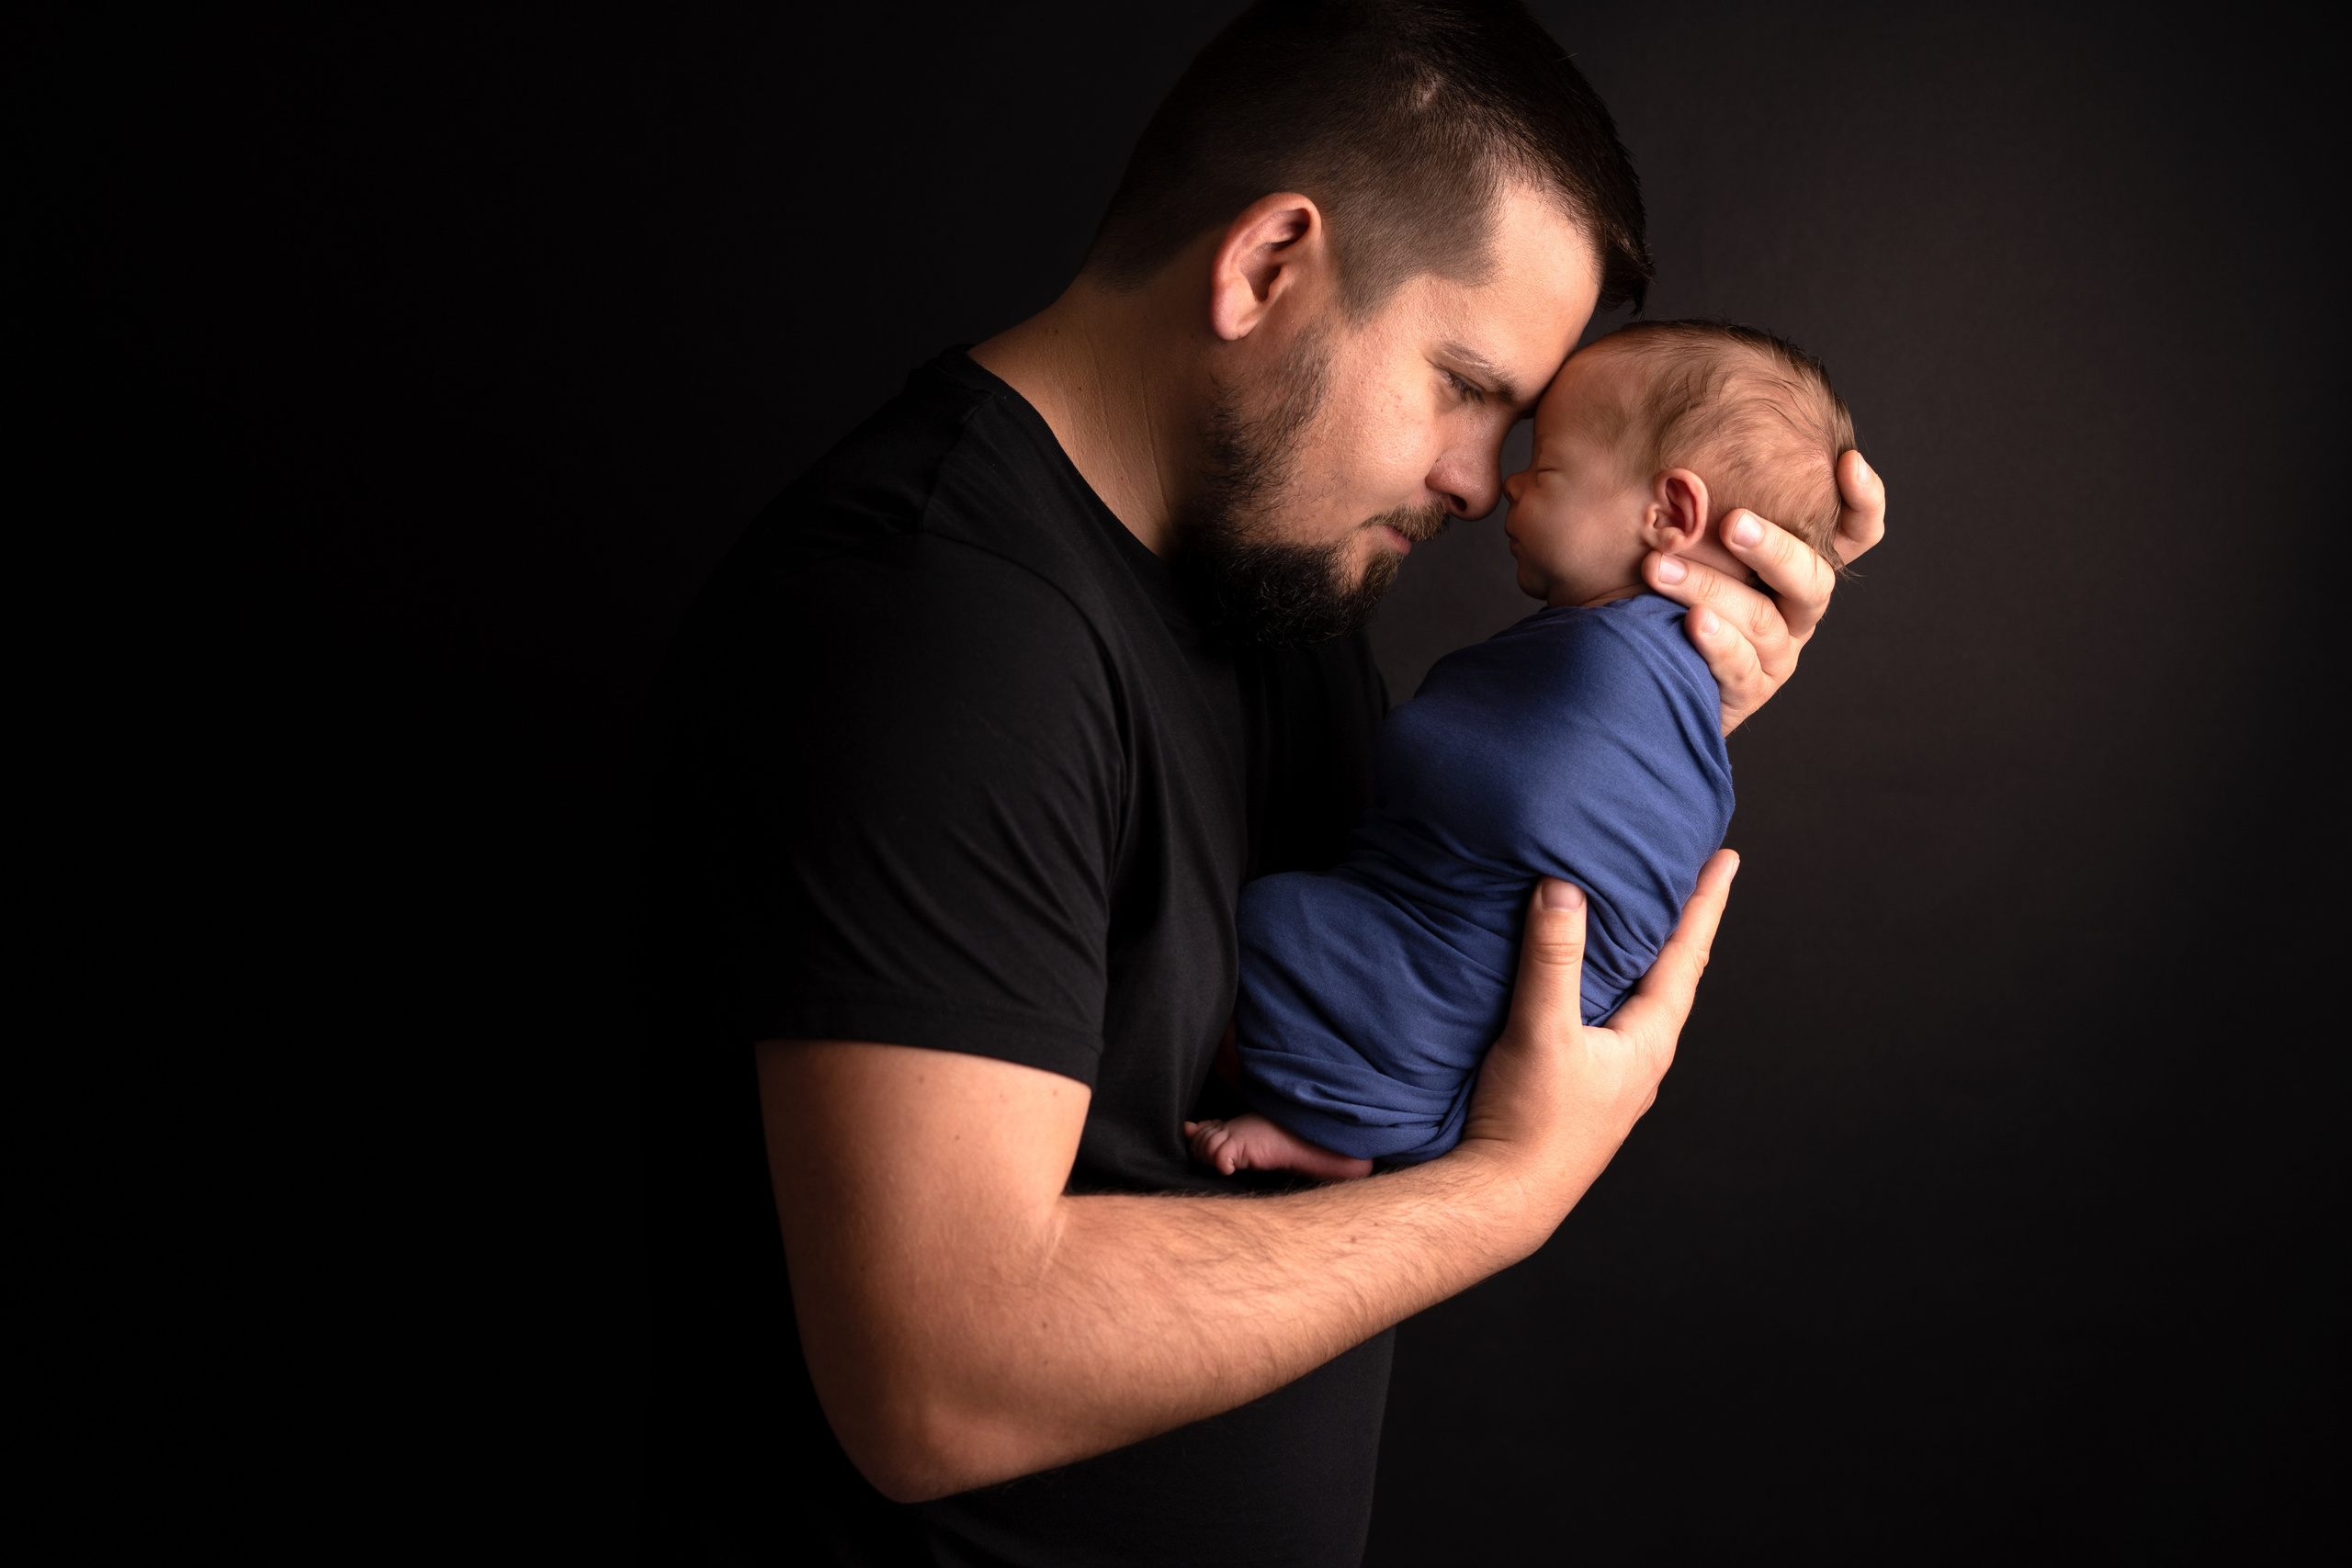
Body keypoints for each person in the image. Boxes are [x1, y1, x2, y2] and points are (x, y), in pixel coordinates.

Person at [636, 5, 1888, 1564]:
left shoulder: (1273, 580)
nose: (1485, 477)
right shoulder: (937, 623)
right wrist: (1507, 1193)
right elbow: (935, 1380)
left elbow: (1400, 946)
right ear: (1269, 264)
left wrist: (1653, 697)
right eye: (1465, 384)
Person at [1188, 321, 1856, 1179]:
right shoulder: (1673, 694)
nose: (1504, 485)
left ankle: (1336, 1112)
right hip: (1465, 1093)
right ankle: (1347, 1129)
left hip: (1406, 1042)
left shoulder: (1610, 664)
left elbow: (1458, 759)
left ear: (1670, 513)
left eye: (1545, 467)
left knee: (1259, 931)